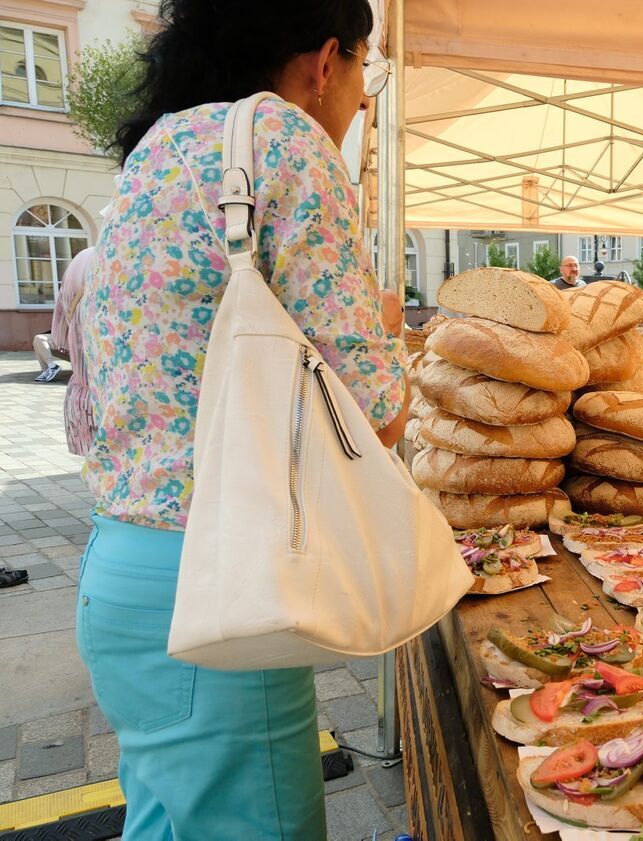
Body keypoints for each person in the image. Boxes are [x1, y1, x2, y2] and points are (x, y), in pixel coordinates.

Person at [75, 2, 401, 838]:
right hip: (218, 582)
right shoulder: (288, 143)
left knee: (163, 819)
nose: (361, 103)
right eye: (364, 76)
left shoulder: (158, 149)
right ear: (326, 60)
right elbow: (372, 416)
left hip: (121, 569)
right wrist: (383, 340)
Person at [50, 247, 97, 456]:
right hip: (115, 399)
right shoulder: (120, 253)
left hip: (82, 397)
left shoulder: (80, 259)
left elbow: (58, 340)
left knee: (97, 474)